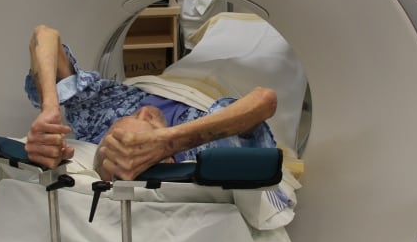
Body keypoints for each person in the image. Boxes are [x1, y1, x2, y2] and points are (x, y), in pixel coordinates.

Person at [24, 25, 278, 180]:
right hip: (224, 84)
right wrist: (170, 142)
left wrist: (50, 108)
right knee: (267, 47)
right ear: (166, 157)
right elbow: (264, 101)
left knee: (211, 44)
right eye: (149, 123)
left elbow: (44, 35)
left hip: (177, 74)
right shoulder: (197, 150)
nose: (144, 111)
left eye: (131, 116)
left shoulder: (95, 122)